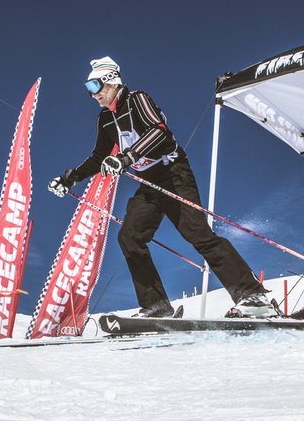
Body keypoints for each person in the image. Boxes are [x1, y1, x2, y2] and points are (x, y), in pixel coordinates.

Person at [47, 56, 274, 318]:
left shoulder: (137, 99)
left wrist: (126, 158)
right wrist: (70, 178)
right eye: (89, 89)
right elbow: (98, 157)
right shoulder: (104, 119)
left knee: (197, 234)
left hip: (173, 174)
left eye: (94, 86)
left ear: (111, 81)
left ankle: (251, 295)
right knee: (130, 237)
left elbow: (159, 131)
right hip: (149, 184)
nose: (92, 94)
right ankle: (157, 307)